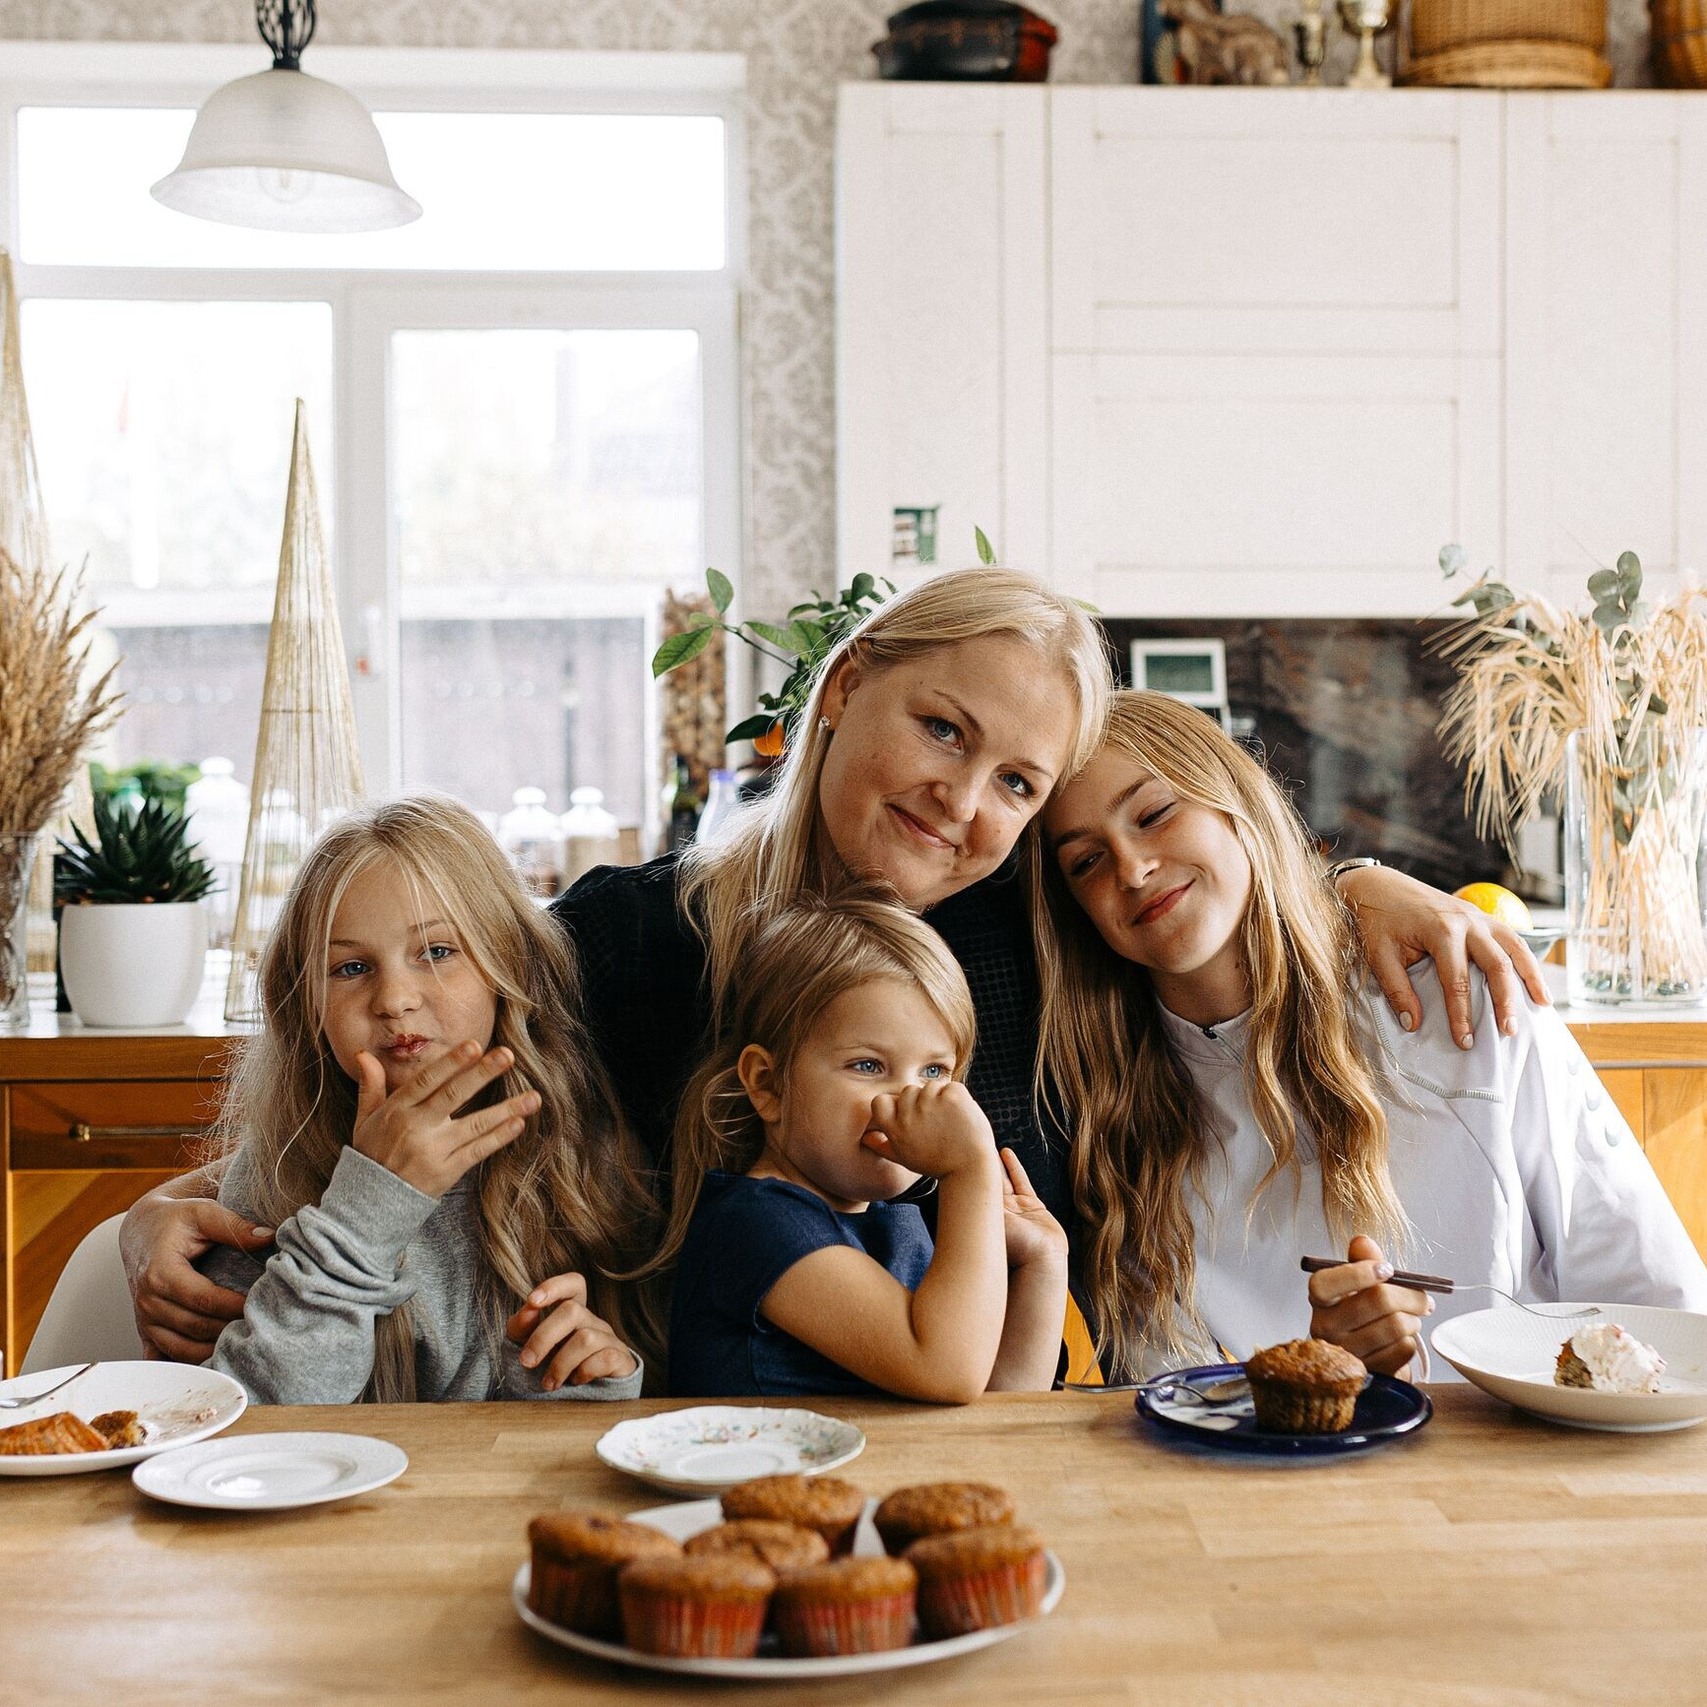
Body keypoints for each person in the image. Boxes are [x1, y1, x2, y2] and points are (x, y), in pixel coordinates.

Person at [120, 567, 1548, 1363]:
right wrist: (160, 1210)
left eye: (1013, 783)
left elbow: (1205, 904)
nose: (961, 801)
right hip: (671, 1459)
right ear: (848, 678)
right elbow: (412, 1058)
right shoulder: (631, 933)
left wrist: (1351, 882)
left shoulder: (1042, 936)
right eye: (940, 729)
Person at [1032, 691, 1707, 1380]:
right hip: (1279, 1479)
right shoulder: (1105, 1111)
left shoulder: (1458, 998)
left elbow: (1662, 1305)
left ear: (1236, 800)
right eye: (1085, 860)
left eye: (1153, 814)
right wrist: (1321, 1376)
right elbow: (1165, 1393)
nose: (1131, 867)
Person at [194, 796, 659, 1403]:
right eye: (351, 967)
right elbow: (252, 1417)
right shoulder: (276, 1174)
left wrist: (589, 1378)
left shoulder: (587, 1156)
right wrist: (365, 1210)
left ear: (507, 963)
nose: (394, 998)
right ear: (304, 1003)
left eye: (437, 953)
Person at [667, 887, 1066, 1400]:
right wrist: (970, 1171)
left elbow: (1000, 1403)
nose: (906, 1097)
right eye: (868, 1066)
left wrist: (1043, 1263)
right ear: (768, 1085)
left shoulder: (893, 1226)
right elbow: (947, 1372)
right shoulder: (756, 1225)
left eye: (935, 1071)